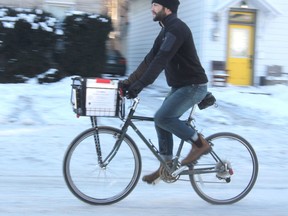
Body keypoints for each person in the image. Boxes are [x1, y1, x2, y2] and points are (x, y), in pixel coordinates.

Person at [120, 0, 211, 184]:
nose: (151, 8)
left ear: (167, 8)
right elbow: (149, 61)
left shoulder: (177, 29)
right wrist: (129, 83)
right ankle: (167, 165)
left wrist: (140, 86)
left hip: (194, 86)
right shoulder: (165, 31)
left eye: (156, 5)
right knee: (160, 120)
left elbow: (161, 61)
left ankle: (200, 144)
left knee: (163, 117)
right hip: (180, 86)